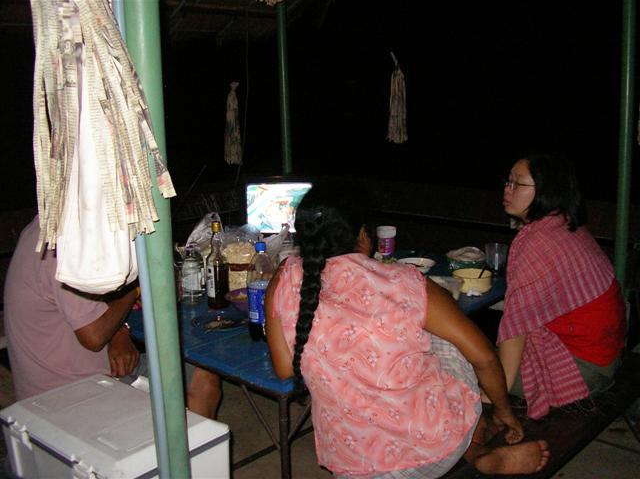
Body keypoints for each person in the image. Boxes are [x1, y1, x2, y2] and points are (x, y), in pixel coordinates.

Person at [264, 184, 550, 478]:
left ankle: (475, 448)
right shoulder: (404, 281)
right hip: (432, 452)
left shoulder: (285, 277)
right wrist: (504, 412)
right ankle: (475, 445)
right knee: (444, 338)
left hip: (352, 465)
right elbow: (485, 358)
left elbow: (285, 369)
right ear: (363, 235)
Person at [4, 216, 221, 419]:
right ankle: (175, 443)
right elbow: (94, 337)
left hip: (75, 374)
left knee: (203, 376)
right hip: (72, 395)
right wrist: (134, 290)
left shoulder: (47, 225)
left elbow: (88, 308)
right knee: (200, 382)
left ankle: (192, 444)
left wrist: (119, 332)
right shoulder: (65, 249)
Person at [496, 153, 626, 419]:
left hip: (587, 367)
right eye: (508, 181)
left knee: (475, 369)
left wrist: (498, 393)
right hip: (606, 353)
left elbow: (516, 327)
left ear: (547, 190)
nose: (508, 189)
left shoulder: (538, 242)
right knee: (483, 353)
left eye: (518, 183)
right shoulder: (563, 224)